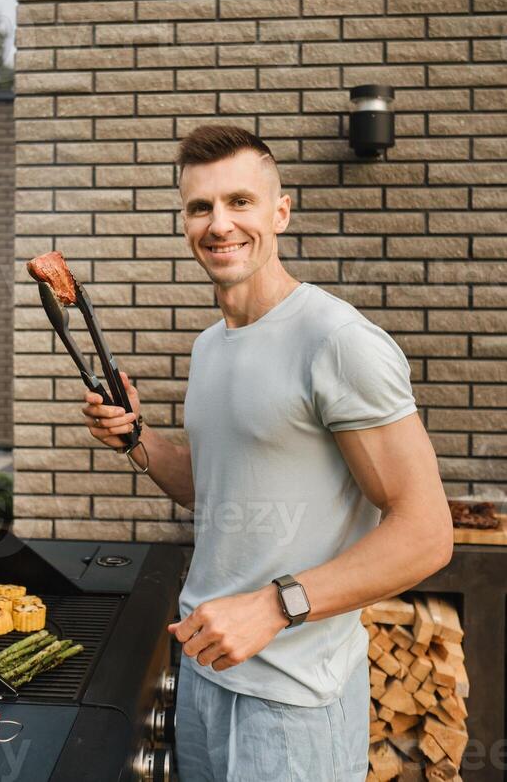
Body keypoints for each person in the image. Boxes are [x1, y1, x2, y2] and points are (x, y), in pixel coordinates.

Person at [82, 124, 453, 782]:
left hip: (293, 701)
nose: (219, 224)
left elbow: (426, 533)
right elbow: (215, 486)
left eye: (240, 202)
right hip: (204, 673)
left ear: (280, 212)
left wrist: (274, 606)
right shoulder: (210, 346)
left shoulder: (335, 340)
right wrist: (139, 441)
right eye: (200, 207)